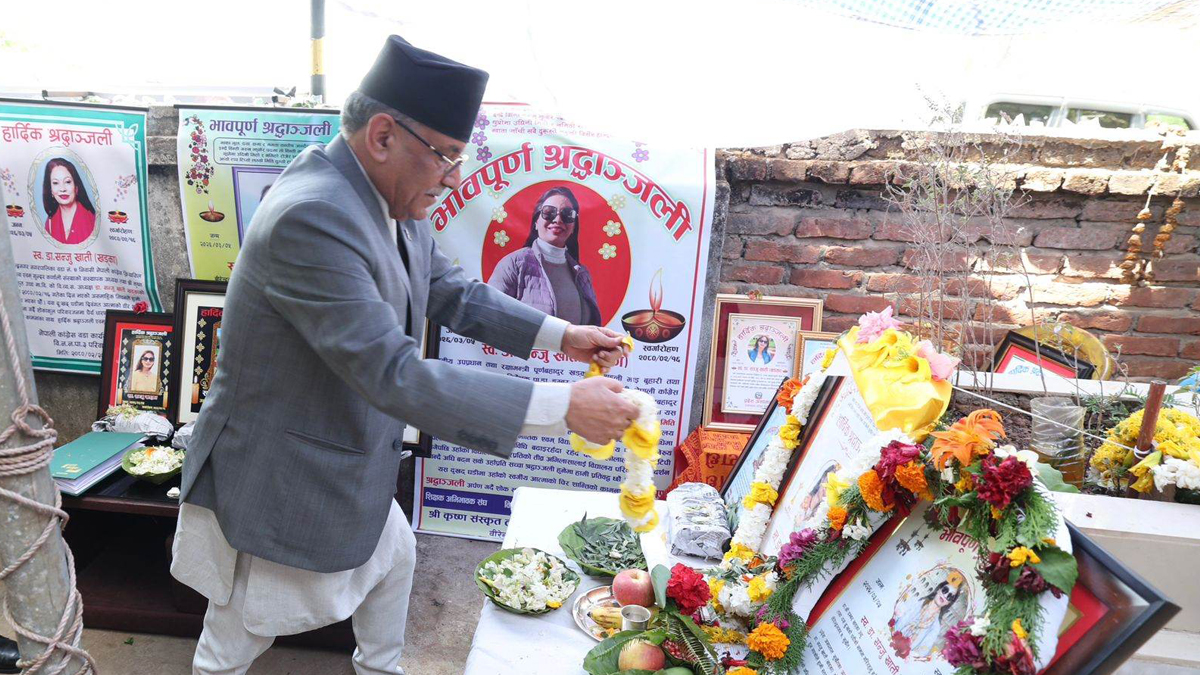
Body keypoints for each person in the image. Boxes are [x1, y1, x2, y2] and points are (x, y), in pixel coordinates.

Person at [170, 35, 638, 675]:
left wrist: (563, 335)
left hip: (347, 459)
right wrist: (566, 409)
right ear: (384, 135)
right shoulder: (313, 218)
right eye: (446, 156)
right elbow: (392, 373)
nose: (453, 177)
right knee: (237, 637)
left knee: (394, 563)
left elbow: (449, 290)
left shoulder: (387, 193)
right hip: (286, 474)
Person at [488, 186, 602, 326]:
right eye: (549, 212)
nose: (558, 219)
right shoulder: (513, 264)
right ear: (536, 222)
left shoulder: (582, 274)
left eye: (567, 214)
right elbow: (488, 317)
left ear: (573, 226)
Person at [890, 573, 966, 660]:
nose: (945, 596)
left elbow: (922, 652)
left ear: (948, 603)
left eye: (949, 596)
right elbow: (897, 620)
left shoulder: (935, 627)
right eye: (945, 590)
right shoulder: (917, 602)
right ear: (939, 589)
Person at [42, 157, 97, 246]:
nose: (62, 189)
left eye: (67, 182)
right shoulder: (50, 223)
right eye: (55, 183)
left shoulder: (92, 219)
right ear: (50, 190)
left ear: (76, 187)